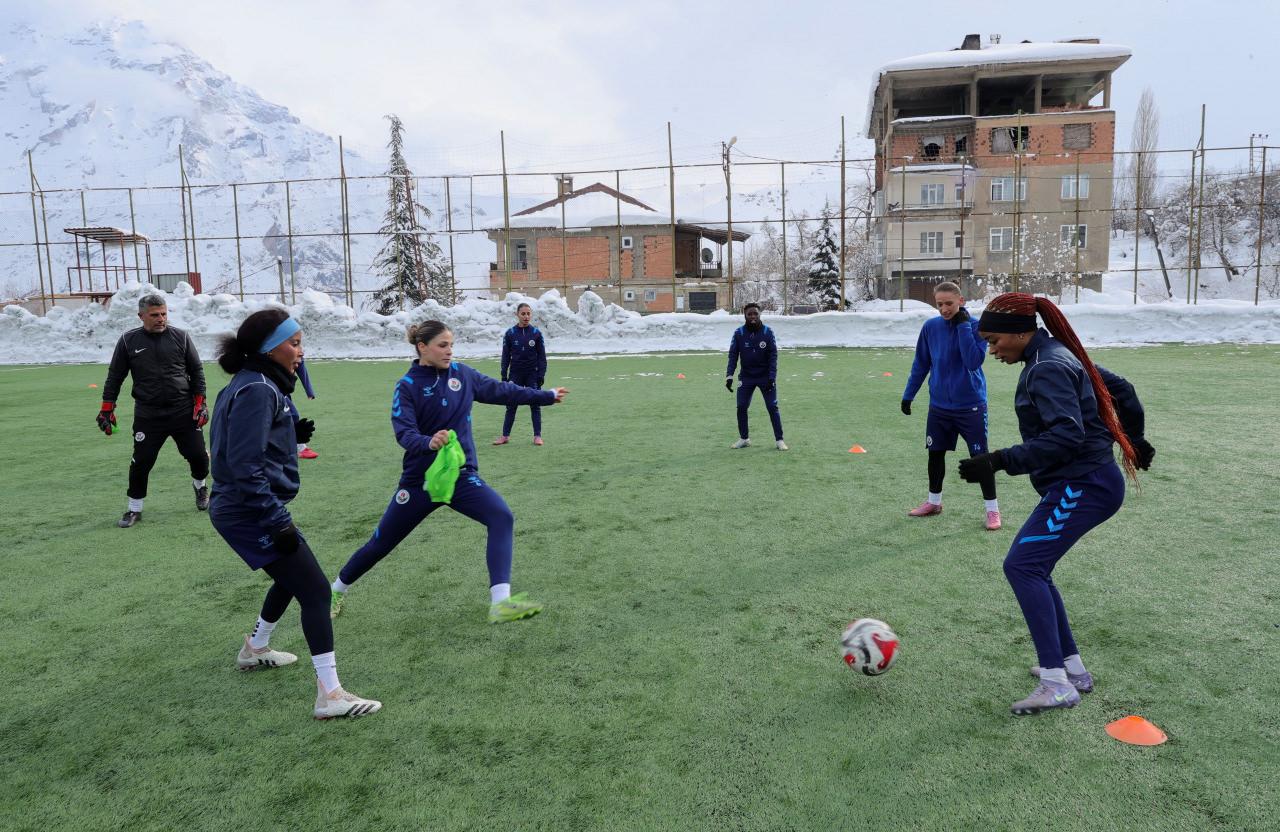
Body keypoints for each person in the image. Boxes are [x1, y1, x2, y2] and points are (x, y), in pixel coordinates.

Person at [958, 292, 1156, 716]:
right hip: (1082, 482)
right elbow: (1122, 389)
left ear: (1020, 332)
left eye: (994, 341)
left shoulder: (1046, 366)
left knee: (1023, 566)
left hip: (1083, 484)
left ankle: (1057, 683)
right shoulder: (1054, 353)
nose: (991, 350)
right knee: (1035, 566)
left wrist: (998, 460)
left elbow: (1068, 436)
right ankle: (1072, 670)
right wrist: (1135, 439)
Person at [330, 320, 568, 623]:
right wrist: (428, 442)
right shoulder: (407, 386)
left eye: (451, 345)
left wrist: (545, 395)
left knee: (501, 516)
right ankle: (336, 590)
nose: (449, 351)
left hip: (459, 477)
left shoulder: (462, 374)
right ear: (422, 347)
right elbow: (404, 433)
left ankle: (501, 602)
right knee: (381, 543)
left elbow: (502, 391)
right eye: (442, 345)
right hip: (421, 482)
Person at [209, 309, 380, 720]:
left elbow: (245, 441)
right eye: (295, 343)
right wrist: (275, 519)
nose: (301, 352)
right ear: (270, 349)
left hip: (248, 506)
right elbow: (244, 463)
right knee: (317, 591)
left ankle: (255, 648)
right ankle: (330, 695)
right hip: (248, 510)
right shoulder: (258, 390)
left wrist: (288, 432)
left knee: (291, 577)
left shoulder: (255, 383)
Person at [98, 293, 210, 528]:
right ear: (141, 316)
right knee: (141, 462)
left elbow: (197, 372)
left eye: (164, 314)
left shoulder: (181, 337)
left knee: (199, 457)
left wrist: (200, 404)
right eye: (155, 315)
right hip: (149, 414)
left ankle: (200, 488)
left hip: (183, 411)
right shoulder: (129, 341)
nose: (161, 319)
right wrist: (107, 408)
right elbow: (115, 377)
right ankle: (134, 509)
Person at [901, 281, 1001, 530]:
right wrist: (908, 395)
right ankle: (934, 502)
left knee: (980, 458)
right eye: (939, 304)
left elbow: (972, 362)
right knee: (935, 455)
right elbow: (921, 364)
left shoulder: (977, 326)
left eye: (949, 303)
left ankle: (992, 510)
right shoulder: (930, 327)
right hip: (939, 407)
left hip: (971, 406)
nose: (944, 309)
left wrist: (963, 326)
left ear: (961, 301)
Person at [725, 303, 786, 450]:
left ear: (759, 315)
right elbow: (733, 355)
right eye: (749, 314)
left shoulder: (767, 332)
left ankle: (779, 440)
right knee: (741, 407)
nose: (753, 317)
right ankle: (744, 438)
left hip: (765, 377)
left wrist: (772, 376)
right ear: (745, 315)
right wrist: (729, 375)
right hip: (746, 377)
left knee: (772, 407)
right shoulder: (739, 333)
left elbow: (773, 356)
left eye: (755, 314)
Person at [494, 302, 549, 446]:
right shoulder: (510, 333)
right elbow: (505, 356)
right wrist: (504, 375)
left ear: (531, 315)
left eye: (528, 313)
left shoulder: (536, 333)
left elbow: (542, 357)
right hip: (515, 374)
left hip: (532, 374)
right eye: (523, 314)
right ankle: (505, 436)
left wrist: (541, 374)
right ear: (517, 315)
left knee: (535, 403)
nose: (526, 316)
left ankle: (537, 436)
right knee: (511, 404)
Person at [294, 359, 318, 459]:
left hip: (283, 389)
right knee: (292, 414)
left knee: (291, 414)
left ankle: (300, 447)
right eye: (296, 343)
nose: (301, 352)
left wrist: (309, 391)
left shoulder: (296, 353)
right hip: (269, 388)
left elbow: (301, 365)